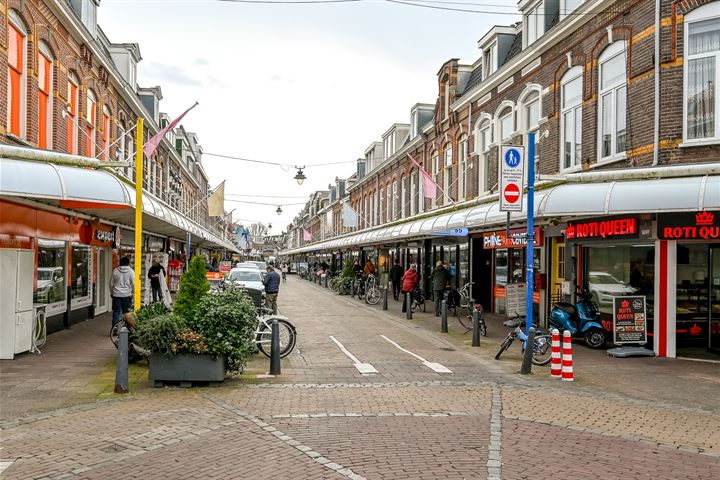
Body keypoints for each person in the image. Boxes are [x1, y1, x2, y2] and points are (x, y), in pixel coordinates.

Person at [110, 256, 135, 327]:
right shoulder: (131, 272)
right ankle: (126, 328)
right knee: (127, 313)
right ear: (128, 263)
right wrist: (133, 294)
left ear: (120, 263)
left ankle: (115, 328)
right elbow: (134, 284)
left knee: (116, 312)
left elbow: (111, 283)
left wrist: (112, 293)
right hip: (127, 295)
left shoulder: (115, 271)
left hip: (116, 295)